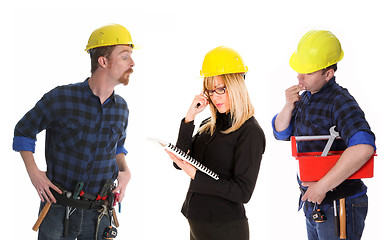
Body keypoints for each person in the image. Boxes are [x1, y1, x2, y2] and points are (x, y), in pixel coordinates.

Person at [12, 23, 135, 239]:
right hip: (57, 210)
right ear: (103, 61)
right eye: (125, 57)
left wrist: (125, 171)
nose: (132, 63)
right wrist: (34, 173)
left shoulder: (121, 108)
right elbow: (24, 131)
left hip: (99, 214)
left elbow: (117, 147)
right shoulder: (61, 98)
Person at [272, 30, 376, 240]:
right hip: (314, 203)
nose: (299, 78)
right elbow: (281, 132)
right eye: (299, 71)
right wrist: (288, 105)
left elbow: (364, 147)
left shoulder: (341, 101)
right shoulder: (306, 98)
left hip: (339, 202)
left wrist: (322, 186)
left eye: (308, 73)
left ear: (328, 74)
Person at [165, 46, 266, 240]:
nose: (215, 96)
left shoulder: (250, 131)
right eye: (210, 90)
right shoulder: (207, 126)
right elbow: (179, 163)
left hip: (225, 228)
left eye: (221, 89)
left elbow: (243, 192)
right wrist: (190, 117)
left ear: (237, 85)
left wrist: (195, 174)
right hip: (197, 222)